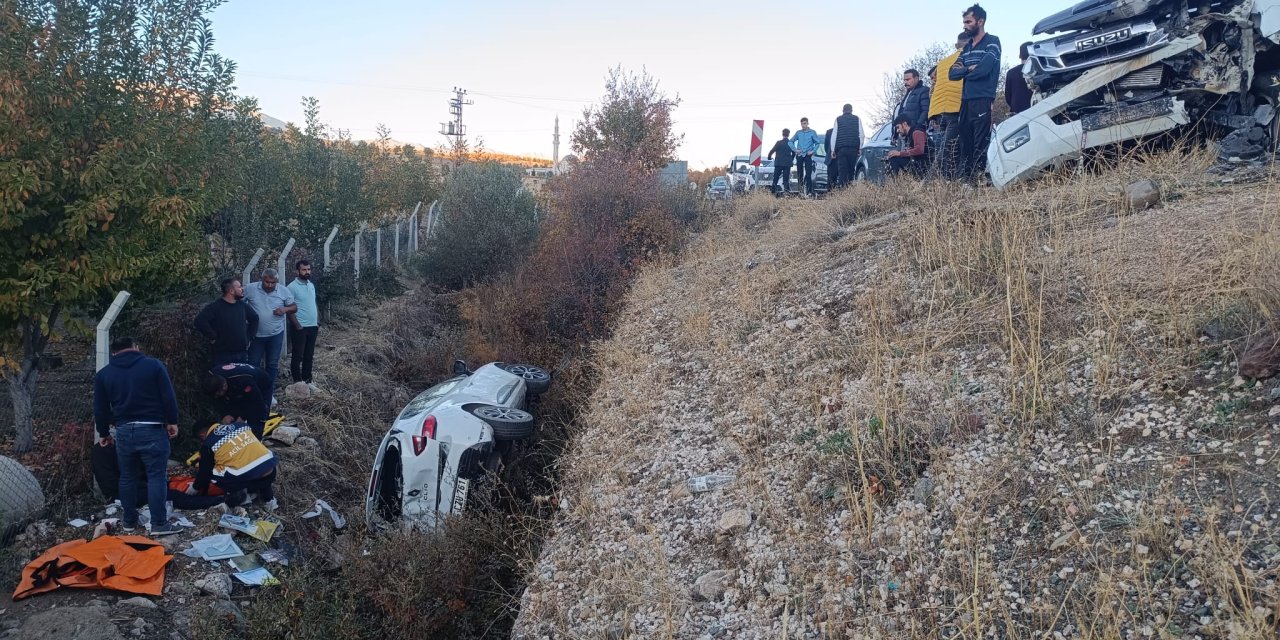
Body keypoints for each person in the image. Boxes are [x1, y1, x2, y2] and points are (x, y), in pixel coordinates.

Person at [92, 337, 183, 536]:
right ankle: (159, 524)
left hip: (124, 431)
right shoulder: (153, 366)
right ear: (135, 347)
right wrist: (172, 421)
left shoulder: (104, 374)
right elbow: (168, 396)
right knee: (156, 477)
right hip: (152, 428)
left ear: (113, 353)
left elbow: (100, 409)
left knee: (127, 477)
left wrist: (104, 433)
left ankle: (129, 522)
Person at [949, 4, 1002, 181]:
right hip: (965, 101)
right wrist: (969, 68)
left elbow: (984, 69)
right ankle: (967, 181)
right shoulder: (967, 48)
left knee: (980, 142)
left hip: (983, 99)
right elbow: (952, 73)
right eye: (964, 22)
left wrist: (967, 69)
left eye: (968, 21)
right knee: (965, 143)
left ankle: (980, 179)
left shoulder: (993, 41)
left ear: (980, 21)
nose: (964, 25)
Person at [190, 420, 278, 510]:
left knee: (215, 472)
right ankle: (270, 500)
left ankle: (241, 498)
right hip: (271, 470)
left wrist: (195, 488)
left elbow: (204, 473)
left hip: (251, 480)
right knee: (256, 463)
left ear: (202, 435)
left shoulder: (208, 444)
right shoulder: (241, 425)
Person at [243, 268, 295, 404]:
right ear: (262, 279)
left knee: (272, 365)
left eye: (273, 283)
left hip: (275, 335)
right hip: (256, 336)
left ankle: (268, 394)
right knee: (253, 365)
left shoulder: (283, 291)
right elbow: (238, 302)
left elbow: (294, 307)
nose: (270, 285)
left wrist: (285, 309)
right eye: (267, 282)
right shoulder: (251, 288)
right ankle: (252, 395)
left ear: (277, 282)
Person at [930, 32, 970, 179]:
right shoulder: (967, 57)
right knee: (951, 148)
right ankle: (931, 182)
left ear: (956, 45)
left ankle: (948, 181)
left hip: (938, 109)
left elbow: (935, 86)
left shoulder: (942, 62)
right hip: (955, 108)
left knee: (946, 146)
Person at [195, 278, 259, 366]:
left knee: (241, 378)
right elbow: (199, 321)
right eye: (239, 287)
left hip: (241, 353)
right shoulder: (215, 307)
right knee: (223, 378)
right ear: (231, 291)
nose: (242, 289)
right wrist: (212, 336)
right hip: (222, 354)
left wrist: (249, 337)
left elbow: (255, 318)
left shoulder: (242, 306)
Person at [201, 363, 272, 440]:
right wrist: (225, 415)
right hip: (238, 386)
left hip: (262, 384)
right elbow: (218, 400)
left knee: (259, 414)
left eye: (218, 394)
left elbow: (255, 401)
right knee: (233, 414)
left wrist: (242, 416)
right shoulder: (211, 377)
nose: (216, 396)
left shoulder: (244, 380)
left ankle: (256, 441)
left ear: (224, 386)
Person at [287, 260, 320, 392]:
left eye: (308, 269)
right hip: (300, 327)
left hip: (312, 326)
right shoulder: (291, 287)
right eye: (304, 270)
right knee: (297, 355)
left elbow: (313, 303)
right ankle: (297, 382)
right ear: (297, 271)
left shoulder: (311, 285)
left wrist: (317, 321)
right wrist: (297, 325)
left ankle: (308, 380)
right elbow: (289, 308)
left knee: (309, 355)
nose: (307, 272)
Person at [829, 104, 862, 188]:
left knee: (842, 171)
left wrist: (833, 150)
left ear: (843, 110)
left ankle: (842, 190)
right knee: (851, 170)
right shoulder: (857, 119)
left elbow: (834, 135)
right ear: (851, 110)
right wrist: (860, 147)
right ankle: (849, 190)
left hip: (841, 149)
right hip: (853, 148)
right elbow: (861, 135)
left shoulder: (838, 119)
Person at [789, 118, 820, 197]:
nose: (803, 125)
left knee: (808, 174)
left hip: (808, 155)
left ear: (808, 123)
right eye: (802, 124)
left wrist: (812, 151)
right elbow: (790, 142)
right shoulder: (798, 133)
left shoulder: (812, 132)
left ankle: (809, 192)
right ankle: (801, 192)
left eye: (805, 123)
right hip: (799, 155)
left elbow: (817, 143)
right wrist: (795, 150)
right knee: (800, 174)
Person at [894, 69, 932, 134]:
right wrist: (895, 132)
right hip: (904, 133)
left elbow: (926, 110)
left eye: (908, 79)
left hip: (915, 132)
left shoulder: (924, 90)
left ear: (916, 78)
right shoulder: (908, 94)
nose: (905, 82)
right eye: (904, 80)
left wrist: (918, 127)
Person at [1005, 42, 1033, 115]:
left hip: (1017, 113)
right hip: (1036, 111)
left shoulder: (1011, 73)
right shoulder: (1039, 71)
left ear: (1020, 56)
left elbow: (1008, 97)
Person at [766, 128, 794, 195]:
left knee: (775, 178)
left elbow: (772, 151)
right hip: (787, 164)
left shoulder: (779, 143)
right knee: (785, 179)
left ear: (782, 134)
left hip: (778, 163)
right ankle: (786, 192)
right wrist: (791, 159)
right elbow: (794, 153)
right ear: (789, 134)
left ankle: (773, 192)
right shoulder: (791, 143)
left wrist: (769, 157)